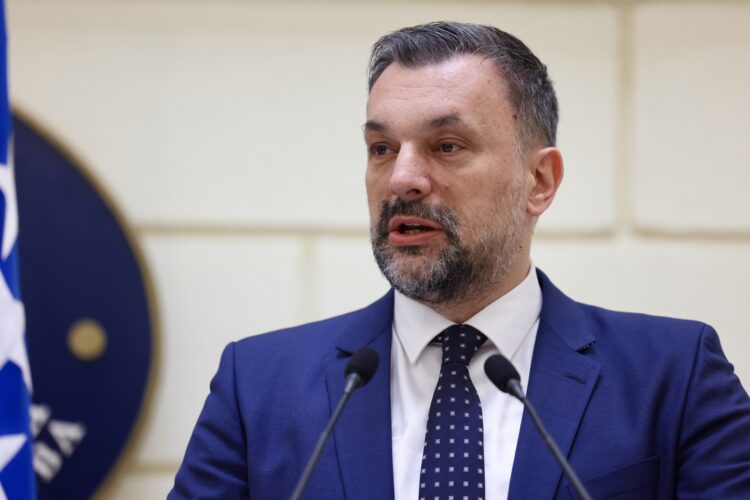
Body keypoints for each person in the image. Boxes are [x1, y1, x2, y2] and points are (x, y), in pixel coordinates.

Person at [169, 22, 750, 499]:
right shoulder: (259, 386)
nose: (402, 179)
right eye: (381, 148)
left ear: (540, 181)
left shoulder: (674, 376)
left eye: (447, 146)